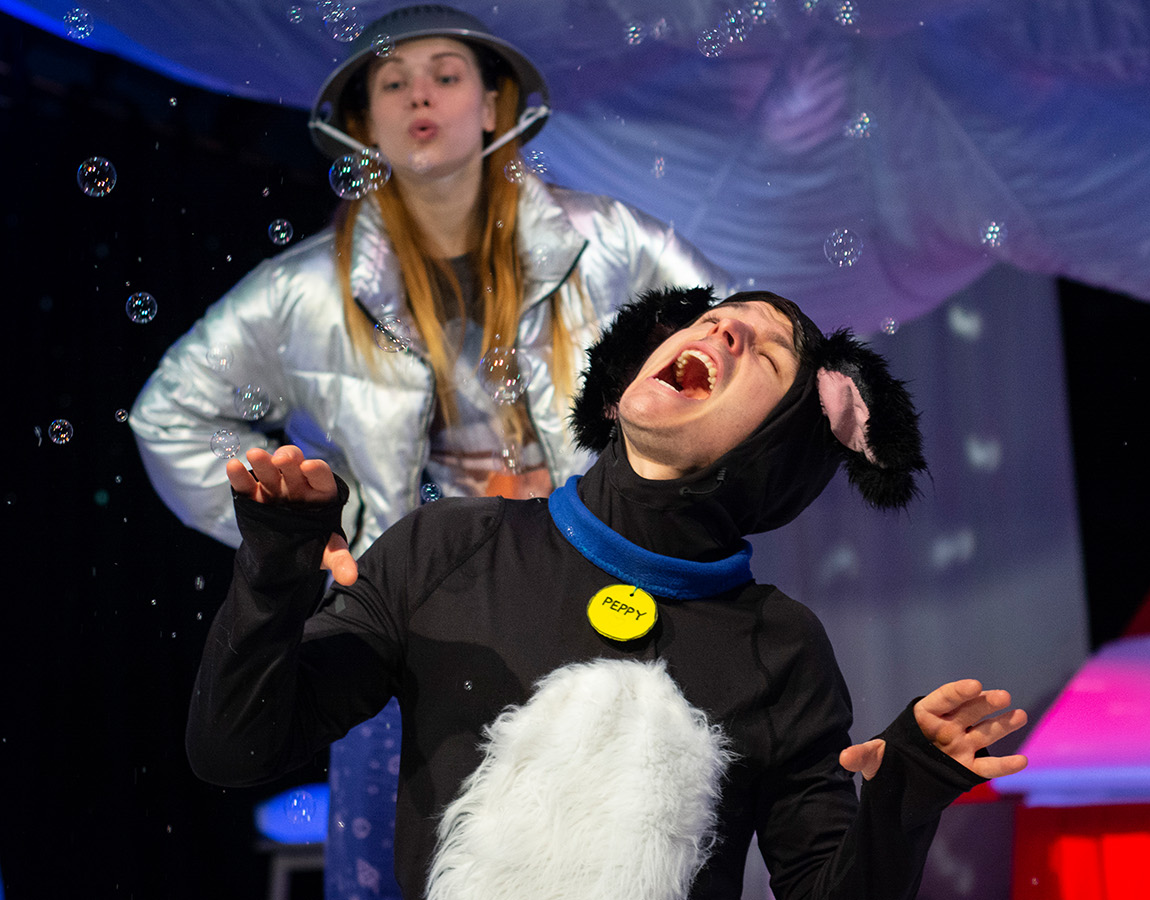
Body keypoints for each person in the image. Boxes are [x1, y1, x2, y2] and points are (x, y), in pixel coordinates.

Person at [129, 6, 730, 897]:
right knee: (408, 864)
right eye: (392, 81)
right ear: (364, 123)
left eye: (447, 75)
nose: (420, 95)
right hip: (415, 609)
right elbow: (168, 414)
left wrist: (596, 489)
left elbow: (726, 376)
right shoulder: (304, 290)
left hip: (598, 594)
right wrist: (336, 533)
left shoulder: (612, 245)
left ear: (493, 105)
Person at [188, 287, 1029, 900]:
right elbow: (235, 751)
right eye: (712, 320)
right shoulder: (449, 547)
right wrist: (274, 566)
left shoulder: (783, 649)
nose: (724, 327)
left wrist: (902, 800)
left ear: (783, 448)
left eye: (766, 355)